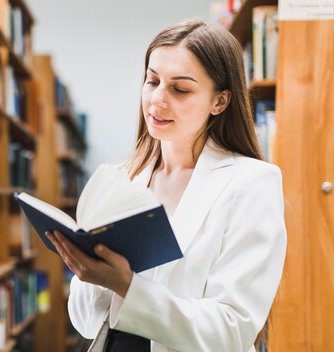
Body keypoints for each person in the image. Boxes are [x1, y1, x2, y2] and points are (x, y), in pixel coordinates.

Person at [46, 19, 287, 352]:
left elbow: (232, 331)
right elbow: (86, 321)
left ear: (219, 101)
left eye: (180, 88)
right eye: (152, 81)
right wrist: (89, 273)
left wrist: (128, 286)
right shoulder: (122, 177)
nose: (157, 100)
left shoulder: (252, 183)